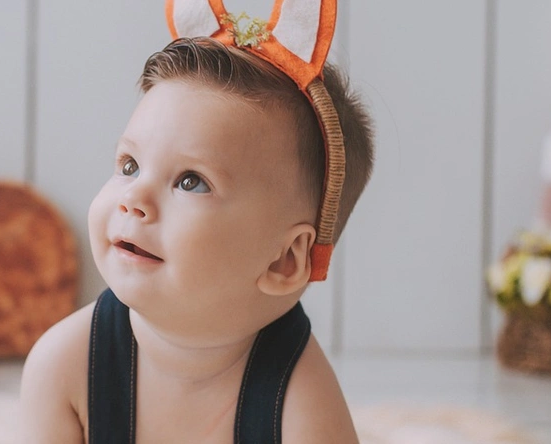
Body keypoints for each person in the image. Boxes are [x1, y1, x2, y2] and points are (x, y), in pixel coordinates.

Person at [21, 0, 373, 442]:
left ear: (284, 259)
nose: (133, 199)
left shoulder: (299, 400)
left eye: (191, 181)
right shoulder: (66, 365)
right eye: (130, 165)